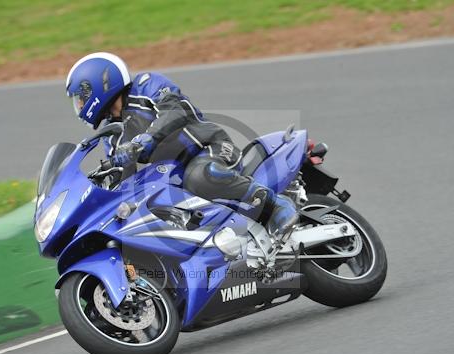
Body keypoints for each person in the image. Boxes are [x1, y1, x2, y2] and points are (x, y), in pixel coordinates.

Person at [65, 52, 297, 236]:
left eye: (81, 97)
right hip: (176, 178)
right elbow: (125, 182)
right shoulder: (112, 135)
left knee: (200, 176)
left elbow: (176, 110)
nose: (80, 104)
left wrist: (145, 140)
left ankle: (276, 206)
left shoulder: (145, 86)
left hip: (208, 148)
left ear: (99, 83)